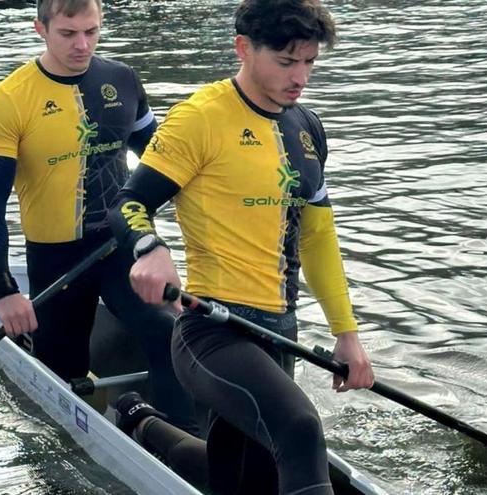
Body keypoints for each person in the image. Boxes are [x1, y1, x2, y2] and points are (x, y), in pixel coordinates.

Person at [108, 1, 375, 493]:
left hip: (279, 333)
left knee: (240, 479)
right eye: (286, 62)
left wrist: (347, 333)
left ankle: (138, 419)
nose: (300, 77)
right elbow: (128, 202)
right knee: (299, 428)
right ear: (244, 49)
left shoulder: (308, 128)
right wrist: (149, 247)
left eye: (310, 62)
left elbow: (318, 238)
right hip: (212, 331)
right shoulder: (201, 117)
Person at [0, 0, 198, 435]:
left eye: (92, 32)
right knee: (64, 370)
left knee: (170, 334)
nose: (82, 45)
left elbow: (163, 167)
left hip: (119, 247)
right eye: (68, 34)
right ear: (41, 28)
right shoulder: (9, 100)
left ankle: (182, 443)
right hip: (56, 259)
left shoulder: (122, 80)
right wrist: (1, 289)